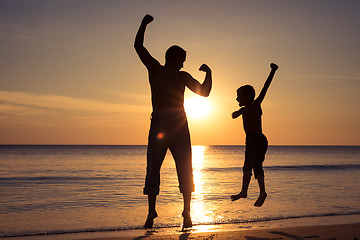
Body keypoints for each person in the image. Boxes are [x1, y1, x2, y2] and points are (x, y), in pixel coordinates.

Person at [134, 14, 212, 229]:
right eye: (182, 60)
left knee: (157, 168)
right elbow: (205, 92)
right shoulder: (178, 75)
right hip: (176, 125)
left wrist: (143, 24)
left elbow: (138, 47)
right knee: (177, 168)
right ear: (175, 59)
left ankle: (162, 212)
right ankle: (181, 213)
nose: (184, 63)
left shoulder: (158, 71)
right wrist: (210, 73)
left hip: (162, 124)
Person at [231, 63, 278, 207]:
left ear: (245, 97)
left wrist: (272, 71)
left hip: (253, 139)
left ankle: (244, 191)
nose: (237, 99)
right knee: (257, 166)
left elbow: (266, 87)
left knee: (247, 166)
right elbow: (233, 115)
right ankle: (262, 192)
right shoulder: (250, 107)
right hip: (262, 140)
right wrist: (238, 112)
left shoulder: (253, 105)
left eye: (238, 96)